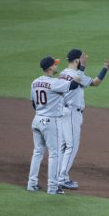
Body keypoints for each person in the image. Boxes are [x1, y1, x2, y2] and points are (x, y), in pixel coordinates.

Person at [57, 49, 109, 190]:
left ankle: (59, 176)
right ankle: (62, 178)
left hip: (63, 111)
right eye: (81, 58)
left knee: (64, 146)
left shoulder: (63, 73)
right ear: (76, 61)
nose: (84, 59)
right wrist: (105, 68)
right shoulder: (76, 75)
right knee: (72, 146)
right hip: (71, 114)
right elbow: (95, 82)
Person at [27, 56, 82, 195]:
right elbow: (73, 86)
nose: (57, 66)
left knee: (37, 152)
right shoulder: (55, 83)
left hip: (37, 119)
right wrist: (79, 72)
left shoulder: (34, 82)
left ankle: (31, 184)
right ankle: (52, 188)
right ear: (50, 67)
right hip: (51, 122)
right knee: (54, 154)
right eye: (55, 65)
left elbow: (33, 103)